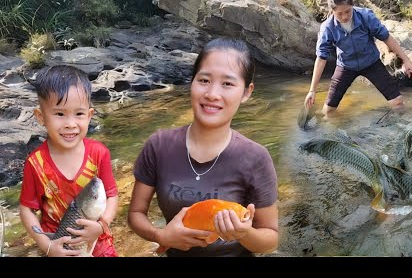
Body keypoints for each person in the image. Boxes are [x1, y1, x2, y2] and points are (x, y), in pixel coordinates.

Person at [127, 37, 278, 257]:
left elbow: (270, 239)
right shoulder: (158, 146)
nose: (212, 94)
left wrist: (244, 234)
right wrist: (160, 236)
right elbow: (136, 214)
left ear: (246, 92)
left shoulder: (256, 158)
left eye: (227, 83)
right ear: (193, 81)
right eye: (204, 80)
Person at [19, 65, 119, 257]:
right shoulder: (35, 163)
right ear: (41, 117)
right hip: (58, 244)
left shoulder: (99, 153)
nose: (70, 124)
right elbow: (27, 210)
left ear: (89, 116)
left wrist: (102, 225)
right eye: (59, 114)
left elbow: (112, 196)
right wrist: (46, 246)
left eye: (79, 114)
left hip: (99, 242)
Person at [304, 0, 412, 116]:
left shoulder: (365, 16)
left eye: (348, 11)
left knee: (397, 102)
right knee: (329, 111)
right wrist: (312, 90)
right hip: (346, 66)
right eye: (339, 14)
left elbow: (386, 37)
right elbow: (321, 58)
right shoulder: (327, 28)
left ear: (352, 6)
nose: (345, 16)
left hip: (371, 63)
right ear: (332, 11)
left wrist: (407, 60)